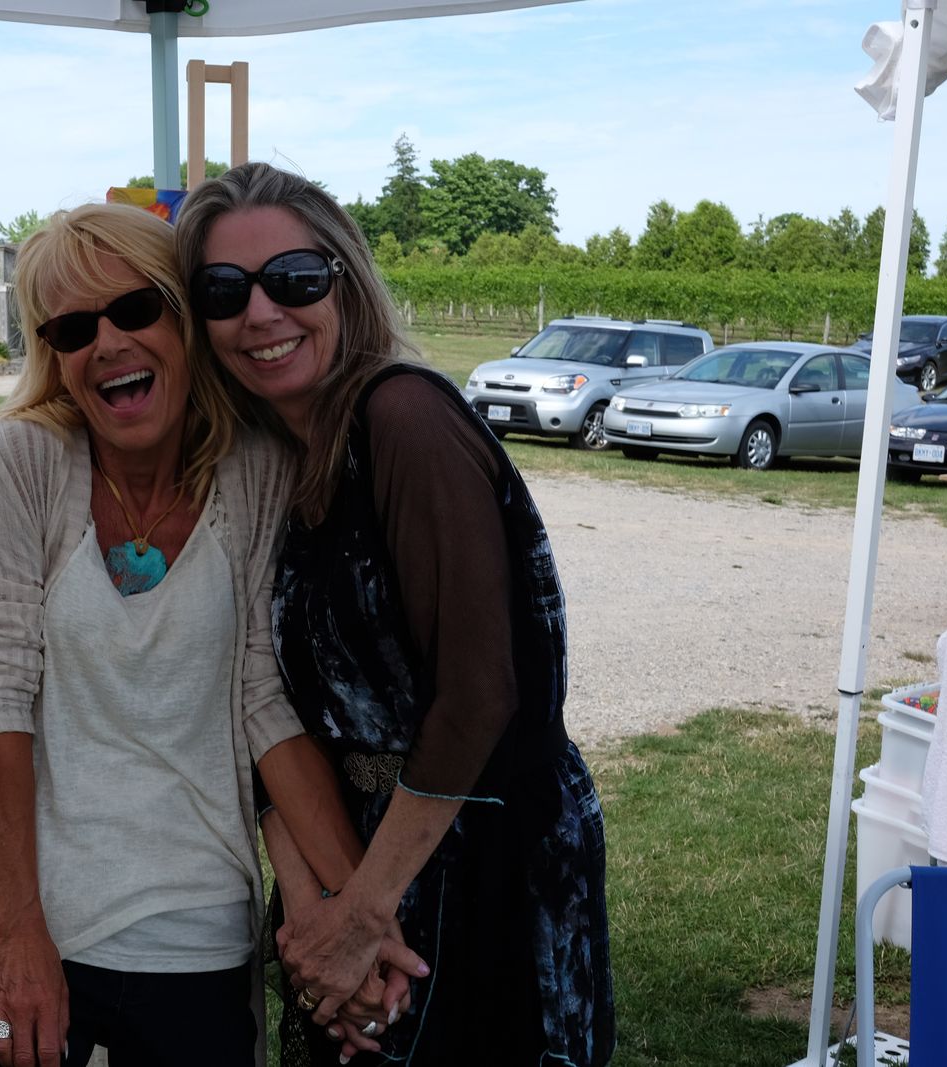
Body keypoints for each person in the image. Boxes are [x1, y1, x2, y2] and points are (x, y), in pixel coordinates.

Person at [0, 202, 411, 1067]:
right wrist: (17, 934)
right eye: (73, 327)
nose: (108, 342)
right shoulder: (24, 458)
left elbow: (262, 702)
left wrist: (363, 919)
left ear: (185, 320)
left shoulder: (255, 469)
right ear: (53, 355)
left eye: (136, 308)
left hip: (190, 926)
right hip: (20, 923)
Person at [175, 162, 616, 1066]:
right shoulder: (274, 461)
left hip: (487, 856)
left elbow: (479, 695)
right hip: (349, 854)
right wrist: (314, 909)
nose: (261, 313)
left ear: (343, 281)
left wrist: (361, 917)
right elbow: (261, 700)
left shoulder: (405, 417)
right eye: (224, 291)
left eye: (294, 279)